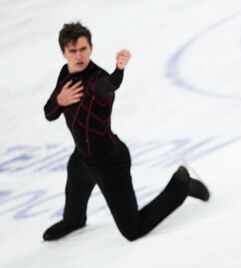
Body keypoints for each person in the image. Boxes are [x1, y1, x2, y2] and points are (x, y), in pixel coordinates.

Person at [42, 22, 209, 242]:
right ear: (63, 52)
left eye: (83, 49)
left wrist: (119, 70)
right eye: (72, 51)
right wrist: (59, 100)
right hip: (82, 159)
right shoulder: (65, 75)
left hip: (108, 162)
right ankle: (74, 220)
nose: (79, 55)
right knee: (75, 187)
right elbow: (49, 113)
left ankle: (181, 186)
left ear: (91, 48)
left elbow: (109, 85)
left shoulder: (96, 79)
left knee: (133, 230)